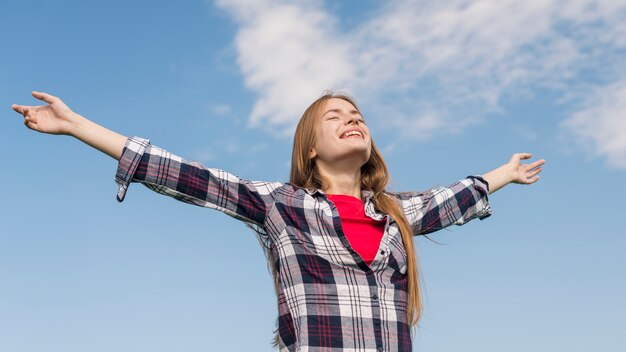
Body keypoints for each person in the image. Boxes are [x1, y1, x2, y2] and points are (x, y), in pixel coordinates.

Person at [11, 91, 544, 352]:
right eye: (334, 117)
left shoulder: (395, 214)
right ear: (311, 149)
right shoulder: (280, 204)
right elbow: (181, 173)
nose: (353, 119)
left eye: (357, 114)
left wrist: (505, 173)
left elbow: (456, 197)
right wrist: (75, 124)